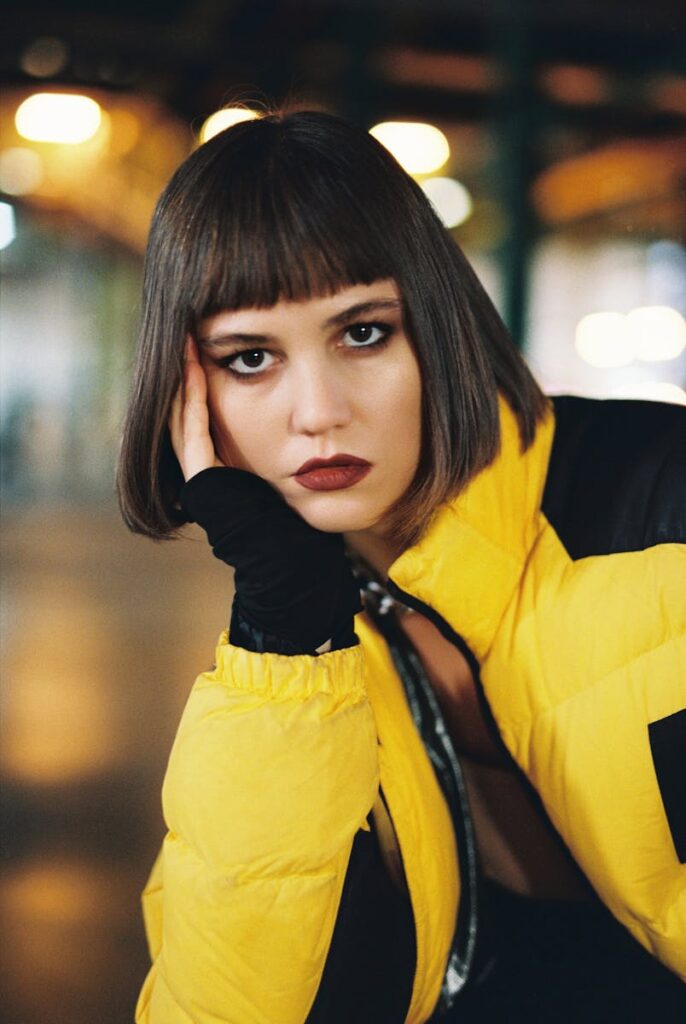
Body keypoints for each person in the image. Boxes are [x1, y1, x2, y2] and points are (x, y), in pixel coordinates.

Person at [117, 109, 686, 1023]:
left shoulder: (663, 504)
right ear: (190, 394)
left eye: (364, 333)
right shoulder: (311, 629)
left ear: (437, 327)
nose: (318, 411)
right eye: (252, 357)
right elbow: (223, 1000)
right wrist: (286, 633)